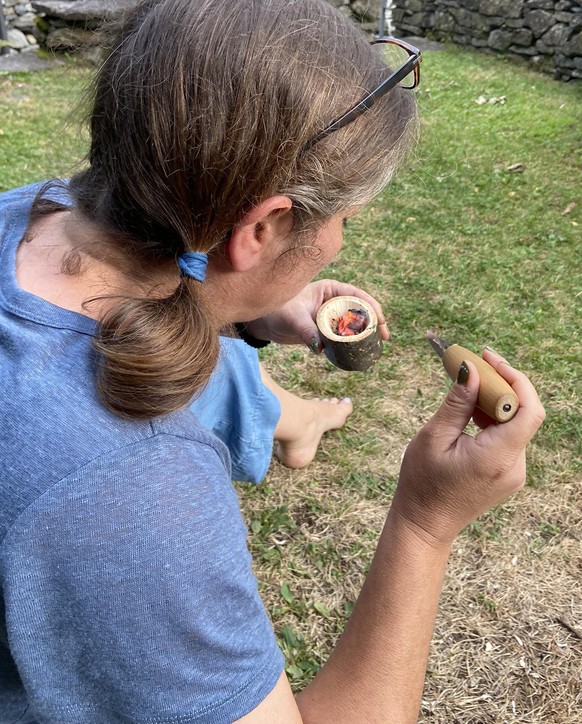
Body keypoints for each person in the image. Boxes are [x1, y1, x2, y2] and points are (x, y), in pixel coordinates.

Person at [0, 1, 545, 722]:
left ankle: (298, 422)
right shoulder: (133, 485)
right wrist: (424, 522)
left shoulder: (28, 213)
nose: (341, 241)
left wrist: (247, 303)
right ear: (263, 229)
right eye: (344, 219)